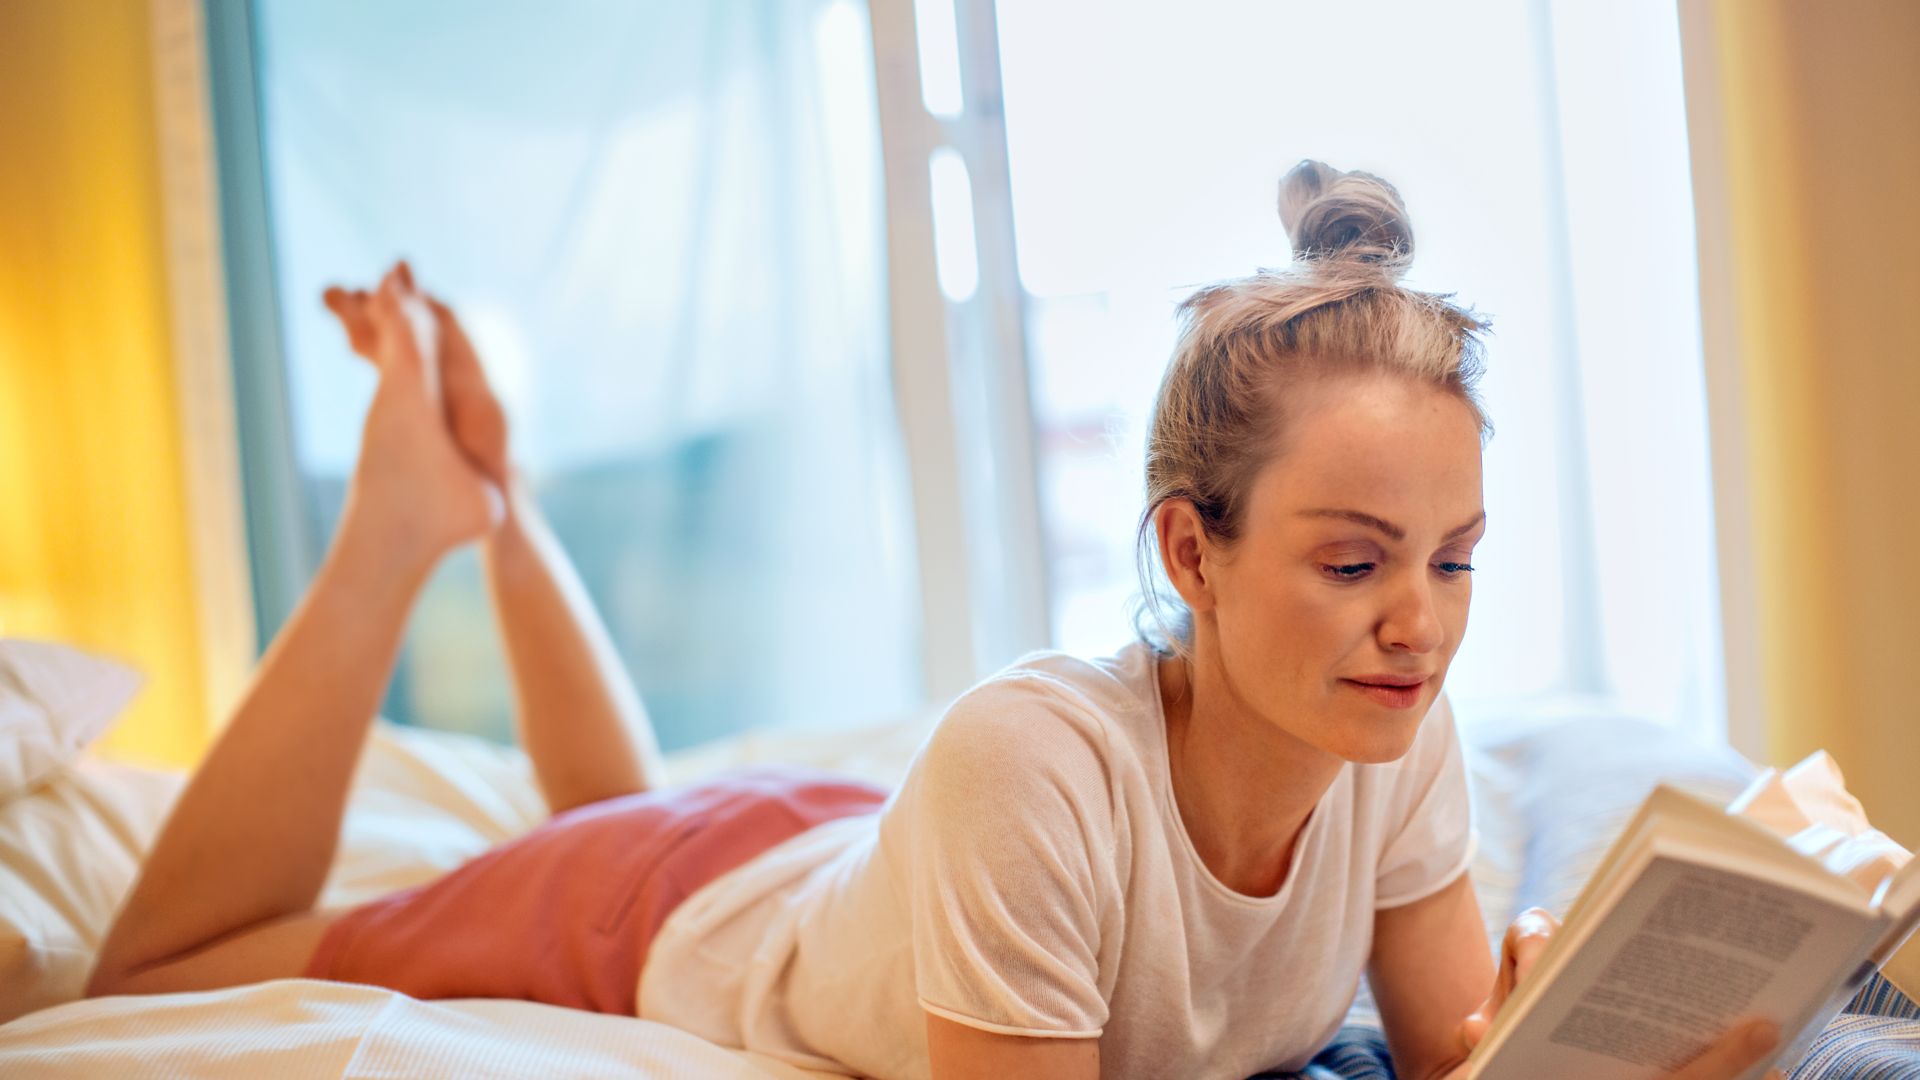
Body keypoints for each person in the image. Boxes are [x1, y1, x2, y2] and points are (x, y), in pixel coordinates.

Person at [87, 161, 1786, 1080]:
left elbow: (1443, 1058)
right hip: (669, 913)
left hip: (853, 862)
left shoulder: (1389, 730)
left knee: (623, 800)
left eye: (1457, 560)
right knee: (141, 975)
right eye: (1353, 565)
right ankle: (399, 531)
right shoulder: (1030, 760)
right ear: (1190, 552)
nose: (1417, 624)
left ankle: (503, 507)